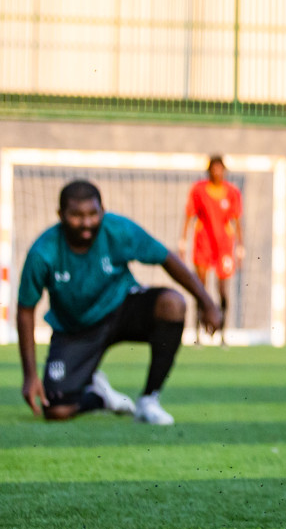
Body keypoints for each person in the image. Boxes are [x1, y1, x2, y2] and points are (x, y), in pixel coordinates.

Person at [16, 180, 221, 424]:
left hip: (121, 307)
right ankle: (99, 397)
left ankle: (149, 399)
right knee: (56, 410)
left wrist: (207, 302)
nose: (87, 222)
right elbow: (25, 309)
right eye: (76, 216)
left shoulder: (118, 229)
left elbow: (166, 258)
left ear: (102, 209)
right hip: (76, 329)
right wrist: (29, 375)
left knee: (172, 304)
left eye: (93, 213)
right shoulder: (43, 252)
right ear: (60, 215)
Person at [180, 155, 243, 345]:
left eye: (220, 169)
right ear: (209, 171)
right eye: (214, 168)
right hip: (203, 243)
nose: (217, 172)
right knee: (200, 288)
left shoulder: (232, 192)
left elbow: (237, 220)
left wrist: (240, 247)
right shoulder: (199, 190)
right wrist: (183, 241)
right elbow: (189, 216)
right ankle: (198, 333)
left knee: (223, 290)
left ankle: (222, 333)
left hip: (224, 245)